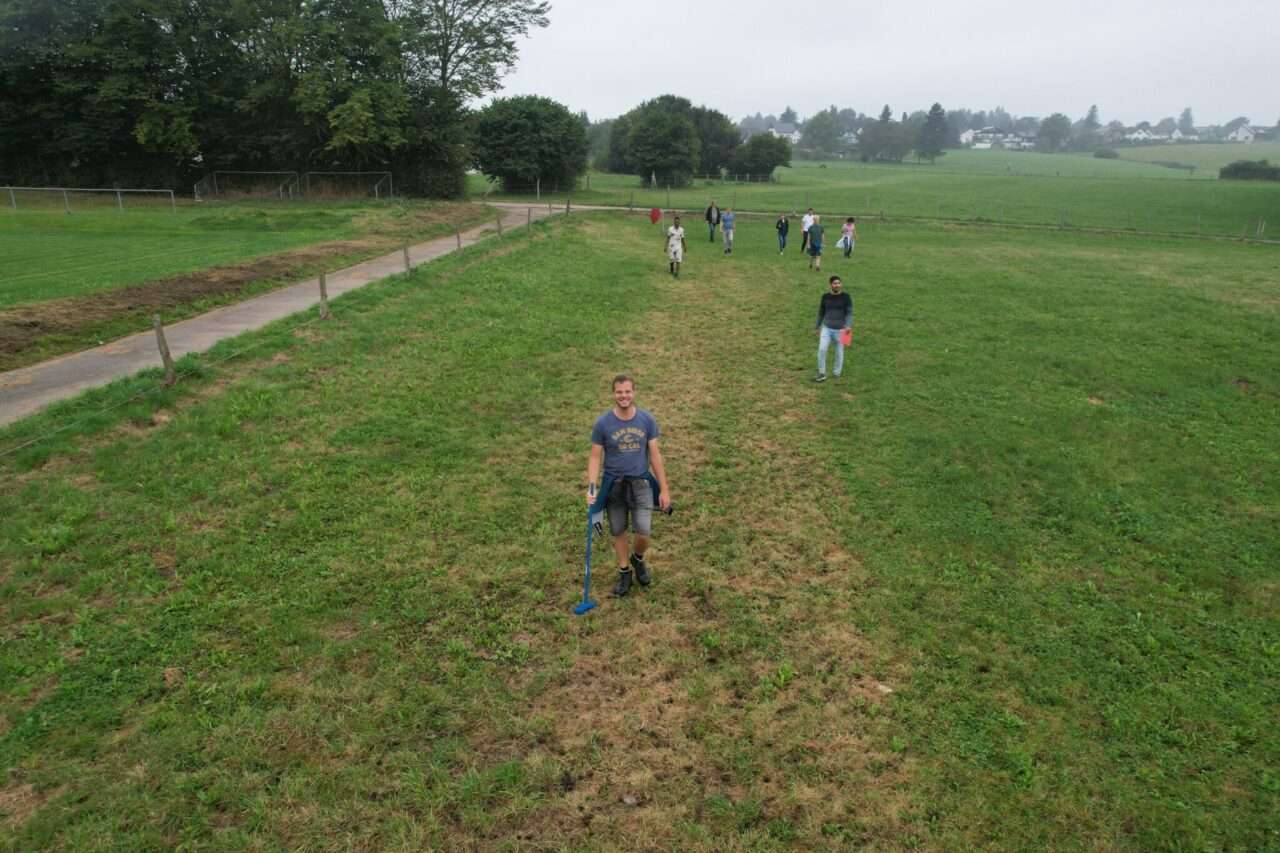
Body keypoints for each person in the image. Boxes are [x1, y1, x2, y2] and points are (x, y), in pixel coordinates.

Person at [586, 375, 672, 597]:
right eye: (619, 392)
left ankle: (638, 558)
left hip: (641, 483)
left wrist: (664, 489)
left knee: (644, 532)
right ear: (613, 394)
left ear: (634, 393)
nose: (623, 396)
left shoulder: (647, 420)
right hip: (613, 485)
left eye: (627, 392)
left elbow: (655, 455)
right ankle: (624, 572)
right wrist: (592, 486)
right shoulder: (603, 423)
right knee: (619, 531)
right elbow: (595, 457)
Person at [814, 275, 852, 382]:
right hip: (826, 328)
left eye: (839, 283)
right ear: (830, 285)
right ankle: (822, 373)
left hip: (841, 330)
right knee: (822, 350)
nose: (837, 285)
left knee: (839, 352)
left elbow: (849, 313)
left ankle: (836, 373)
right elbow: (821, 313)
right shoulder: (825, 297)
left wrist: (848, 325)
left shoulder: (846, 297)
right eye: (835, 283)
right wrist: (817, 326)